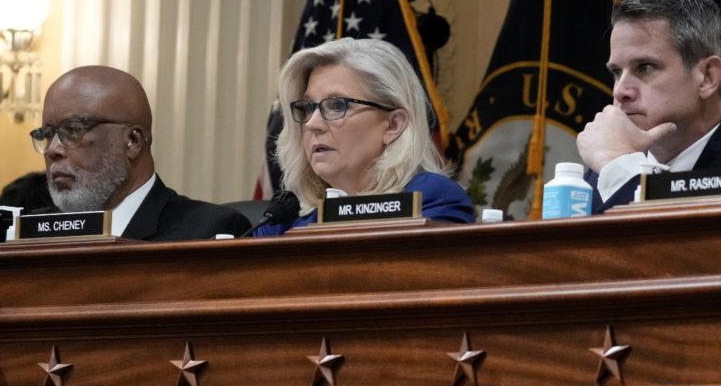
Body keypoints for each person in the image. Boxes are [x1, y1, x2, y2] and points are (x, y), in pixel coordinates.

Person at [577, 0, 721, 213]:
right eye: (616, 72)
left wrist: (617, 166)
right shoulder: (604, 169)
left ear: (708, 77)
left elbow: (678, 246)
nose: (620, 91)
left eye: (644, 67)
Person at [255, 38, 474, 235]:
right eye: (308, 108)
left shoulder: (429, 200)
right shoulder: (285, 219)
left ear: (393, 124)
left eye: (336, 105)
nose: (312, 124)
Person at [29, 65, 250, 241]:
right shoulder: (28, 232)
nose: (52, 149)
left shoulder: (206, 232)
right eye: (47, 134)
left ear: (133, 141)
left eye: (73, 130)